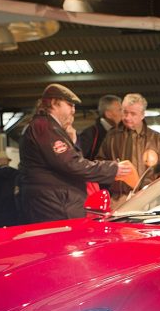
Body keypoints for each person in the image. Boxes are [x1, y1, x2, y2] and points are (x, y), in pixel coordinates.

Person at [18, 83, 135, 223]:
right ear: (55, 103)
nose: (73, 110)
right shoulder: (45, 127)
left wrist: (72, 141)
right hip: (54, 204)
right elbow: (70, 163)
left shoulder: (47, 127)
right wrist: (112, 168)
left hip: (56, 201)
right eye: (69, 105)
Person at [97, 93, 160, 198]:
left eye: (133, 114)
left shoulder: (156, 139)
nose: (127, 117)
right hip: (118, 198)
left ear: (142, 115)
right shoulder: (112, 135)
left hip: (148, 198)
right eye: (125, 112)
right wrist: (113, 168)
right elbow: (100, 162)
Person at [77, 94, 122, 160]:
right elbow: (80, 160)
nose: (123, 114)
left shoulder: (122, 132)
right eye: (120, 110)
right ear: (108, 114)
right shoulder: (90, 134)